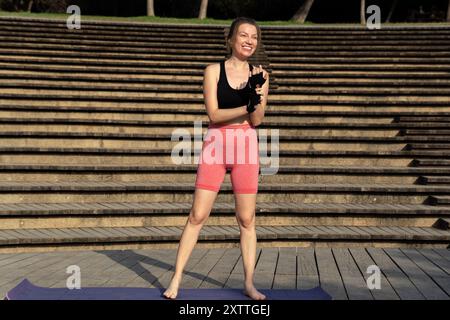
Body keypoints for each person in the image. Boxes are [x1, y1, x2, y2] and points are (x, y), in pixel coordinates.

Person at [163, 16, 269, 300]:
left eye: (254, 37)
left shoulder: (261, 74)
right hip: (216, 144)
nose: (249, 41)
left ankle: (248, 283)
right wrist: (246, 104)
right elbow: (214, 114)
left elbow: (257, 120)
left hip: (246, 145)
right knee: (197, 215)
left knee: (246, 219)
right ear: (231, 39)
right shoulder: (212, 71)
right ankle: (176, 280)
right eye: (244, 35)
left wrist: (256, 94)